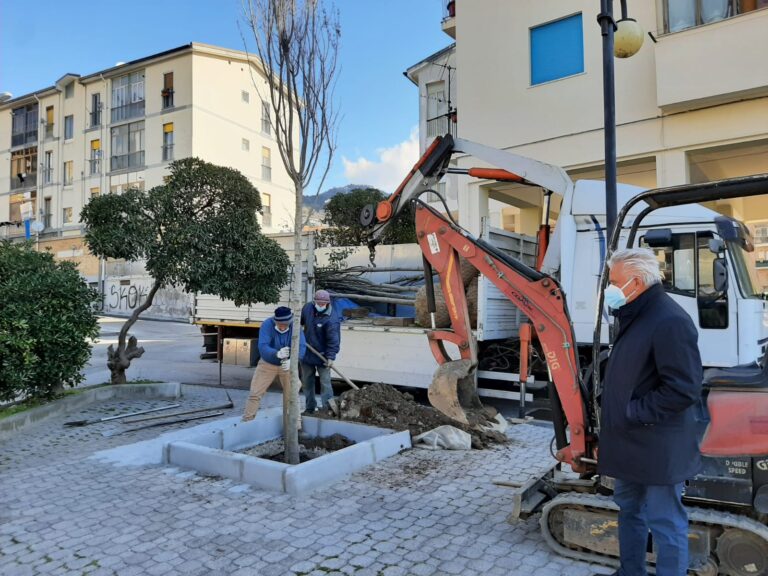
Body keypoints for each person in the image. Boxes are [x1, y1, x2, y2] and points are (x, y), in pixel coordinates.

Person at [597, 248, 703, 576]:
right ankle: (631, 571)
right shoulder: (636, 312)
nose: (609, 289)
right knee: (629, 510)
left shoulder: (669, 320)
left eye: (614, 282)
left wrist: (632, 412)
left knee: (665, 521)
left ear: (637, 282)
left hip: (658, 444)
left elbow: (683, 388)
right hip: (631, 442)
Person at [242, 306, 305, 422]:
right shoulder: (267, 325)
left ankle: (295, 426)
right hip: (267, 363)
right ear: (275, 321)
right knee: (255, 393)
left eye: (285, 324)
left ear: (290, 322)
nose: (282, 327)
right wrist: (276, 353)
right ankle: (247, 422)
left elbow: (301, 346)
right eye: (279, 324)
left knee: (292, 396)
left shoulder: (295, 326)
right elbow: (262, 346)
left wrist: (292, 361)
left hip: (287, 364)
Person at [300, 289, 341, 413]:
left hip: (322, 355)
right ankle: (310, 408)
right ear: (315, 301)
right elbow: (300, 322)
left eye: (324, 303)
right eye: (319, 302)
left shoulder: (331, 319)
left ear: (328, 302)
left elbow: (333, 340)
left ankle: (327, 410)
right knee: (307, 382)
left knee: (325, 383)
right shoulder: (307, 308)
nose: (321, 305)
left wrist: (330, 357)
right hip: (307, 353)